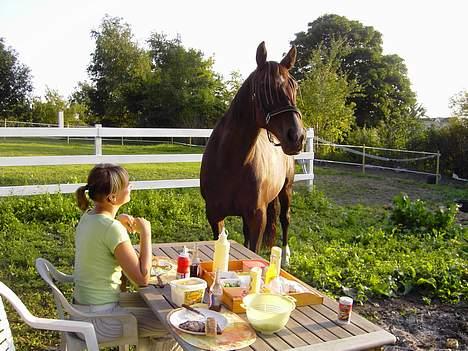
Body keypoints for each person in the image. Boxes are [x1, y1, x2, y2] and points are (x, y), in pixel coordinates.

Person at [73, 163, 179, 350]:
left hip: (84, 310)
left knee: (160, 309)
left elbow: (103, 235)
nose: (131, 186)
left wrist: (117, 221)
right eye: (127, 184)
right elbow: (142, 279)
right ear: (112, 197)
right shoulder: (111, 229)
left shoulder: (89, 216)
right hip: (100, 322)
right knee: (175, 324)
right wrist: (146, 233)